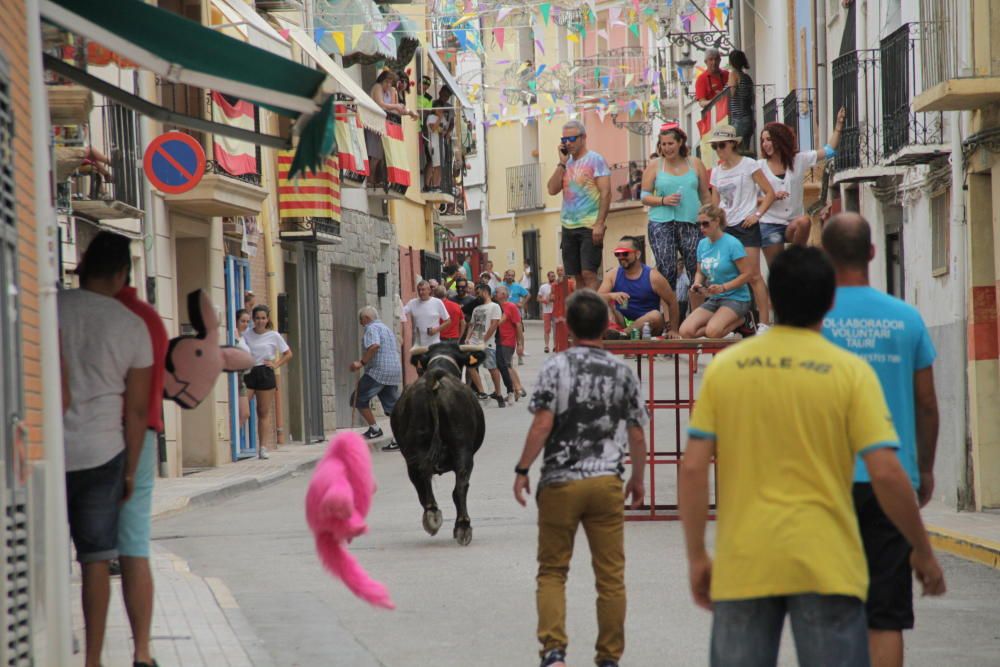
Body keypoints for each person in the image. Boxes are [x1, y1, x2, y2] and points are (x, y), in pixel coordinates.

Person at [679, 246, 946, 667]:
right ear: (828, 302)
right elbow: (887, 473)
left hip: (744, 563)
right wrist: (922, 549)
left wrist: (696, 556)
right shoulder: (849, 373)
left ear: (776, 299)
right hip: (828, 565)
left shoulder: (725, 370)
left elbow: (693, 467)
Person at [821, 213, 940, 667]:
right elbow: (927, 403)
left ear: (826, 258)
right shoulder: (906, 319)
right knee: (886, 614)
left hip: (827, 481)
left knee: (832, 607)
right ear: (872, 253)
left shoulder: (814, 321)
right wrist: (924, 468)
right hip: (893, 479)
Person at [513, 288, 647, 667]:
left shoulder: (555, 367)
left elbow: (542, 424)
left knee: (553, 570)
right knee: (610, 576)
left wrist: (523, 469)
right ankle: (608, 658)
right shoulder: (623, 371)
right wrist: (637, 478)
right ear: (607, 325)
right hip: (606, 482)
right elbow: (637, 433)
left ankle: (554, 654)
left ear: (568, 327)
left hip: (559, 480)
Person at [59, 231, 153, 667]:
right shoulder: (131, 325)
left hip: (45, 454)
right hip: (103, 452)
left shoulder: (50, 309)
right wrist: (130, 470)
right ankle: (93, 659)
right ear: (121, 274)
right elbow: (135, 411)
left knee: (44, 552)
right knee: (96, 560)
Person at [114, 274, 169, 667]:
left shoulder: (76, 311)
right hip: (142, 432)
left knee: (94, 552)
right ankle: (142, 652)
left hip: (93, 436)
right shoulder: (148, 318)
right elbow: (147, 392)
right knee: (134, 543)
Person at [707, 123, 777, 331]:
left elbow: (769, 193)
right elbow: (714, 205)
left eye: (721, 145)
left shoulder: (749, 165)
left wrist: (756, 215)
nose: (718, 150)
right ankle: (741, 321)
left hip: (745, 225)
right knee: (729, 276)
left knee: (753, 275)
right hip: (726, 228)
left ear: (732, 144)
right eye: (715, 146)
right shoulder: (716, 172)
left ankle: (764, 323)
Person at [758, 108, 846, 259]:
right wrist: (772, 196)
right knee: (777, 272)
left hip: (793, 222)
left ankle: (796, 259)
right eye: (763, 141)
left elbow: (829, 151)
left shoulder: (798, 160)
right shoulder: (758, 167)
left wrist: (838, 126)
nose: (765, 144)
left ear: (780, 139)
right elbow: (752, 199)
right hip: (770, 224)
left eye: (769, 139)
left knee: (805, 221)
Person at [640, 125, 710, 290]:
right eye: (663, 144)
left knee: (697, 270)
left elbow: (705, 195)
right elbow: (644, 197)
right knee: (667, 269)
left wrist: (710, 217)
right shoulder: (655, 165)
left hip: (691, 221)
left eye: (670, 143)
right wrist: (664, 200)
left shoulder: (695, 163)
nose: (667, 148)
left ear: (680, 143)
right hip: (662, 222)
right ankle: (670, 315)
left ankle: (698, 313)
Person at [548, 119, 611, 290]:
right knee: (576, 276)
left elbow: (606, 193)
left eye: (572, 139)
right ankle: (582, 313)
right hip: (568, 226)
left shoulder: (595, 160)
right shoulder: (565, 164)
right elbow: (552, 189)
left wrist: (600, 223)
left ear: (583, 137)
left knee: (589, 273)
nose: (568, 143)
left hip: (589, 225)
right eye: (564, 140)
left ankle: (594, 313)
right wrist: (561, 163)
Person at [679, 205, 753, 339]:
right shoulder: (702, 244)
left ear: (717, 221)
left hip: (737, 298)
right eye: (699, 224)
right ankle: (719, 324)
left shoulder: (732, 243)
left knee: (712, 332)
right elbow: (700, 272)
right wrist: (697, 284)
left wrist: (724, 287)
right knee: (685, 331)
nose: (701, 228)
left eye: (705, 224)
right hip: (715, 297)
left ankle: (743, 320)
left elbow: (747, 274)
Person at [598, 235, 681, 339]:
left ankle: (623, 334)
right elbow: (595, 298)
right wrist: (611, 296)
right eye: (617, 254)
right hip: (622, 321)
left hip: (647, 327)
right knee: (603, 304)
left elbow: (672, 301)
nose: (620, 257)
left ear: (637, 254)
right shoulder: (612, 274)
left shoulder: (653, 277)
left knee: (656, 315)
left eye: (625, 253)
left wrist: (674, 330)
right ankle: (618, 333)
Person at [349, 307, 402, 452]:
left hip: (378, 371)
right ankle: (399, 439)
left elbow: (374, 346)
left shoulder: (371, 328)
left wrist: (361, 362)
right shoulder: (386, 328)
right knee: (392, 407)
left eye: (361, 321)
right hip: (393, 371)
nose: (361, 324)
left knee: (358, 398)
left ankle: (374, 429)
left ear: (366, 318)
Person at [243, 304, 292, 459]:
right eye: (257, 318)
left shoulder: (274, 335)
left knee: (262, 412)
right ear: (253, 319)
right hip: (249, 372)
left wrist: (276, 364)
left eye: (263, 318)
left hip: (265, 372)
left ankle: (263, 447)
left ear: (267, 319)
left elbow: (288, 353)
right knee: (243, 409)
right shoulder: (246, 334)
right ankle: (236, 443)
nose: (260, 321)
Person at [465, 283, 506, 407]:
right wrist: (467, 338)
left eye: (478, 293)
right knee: (471, 366)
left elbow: (494, 324)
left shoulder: (494, 306)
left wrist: (485, 340)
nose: (477, 296)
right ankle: (482, 391)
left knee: (492, 368)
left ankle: (499, 394)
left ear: (485, 292)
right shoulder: (476, 309)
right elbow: (472, 325)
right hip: (473, 344)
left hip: (487, 345)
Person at [495, 284, 526, 402]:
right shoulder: (499, 306)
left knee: (505, 365)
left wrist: (520, 344)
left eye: (497, 292)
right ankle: (517, 388)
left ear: (503, 295)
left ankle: (516, 388)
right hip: (500, 340)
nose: (494, 294)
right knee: (507, 365)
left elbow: (518, 325)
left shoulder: (510, 306)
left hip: (507, 341)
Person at [404, 280, 451, 347]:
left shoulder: (437, 302)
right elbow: (401, 313)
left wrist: (436, 330)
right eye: (419, 290)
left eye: (423, 290)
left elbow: (448, 321)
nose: (421, 292)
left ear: (429, 290)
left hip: (434, 343)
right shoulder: (412, 303)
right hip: (418, 344)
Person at [726, 50, 755, 152]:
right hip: (748, 118)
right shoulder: (747, 78)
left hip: (738, 118)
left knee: (736, 152)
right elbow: (752, 99)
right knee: (745, 149)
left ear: (731, 62)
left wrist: (723, 92)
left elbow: (731, 94)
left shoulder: (733, 74)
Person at [234, 309, 252, 429]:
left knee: (245, 413)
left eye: (247, 321)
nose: (245, 324)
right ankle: (231, 440)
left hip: (242, 377)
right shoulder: (232, 335)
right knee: (240, 413)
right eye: (242, 321)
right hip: (234, 375)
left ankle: (232, 438)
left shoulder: (243, 337)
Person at [538, 270, 557, 353]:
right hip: (547, 310)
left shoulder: (557, 285)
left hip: (556, 310)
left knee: (556, 329)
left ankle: (555, 345)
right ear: (548, 277)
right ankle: (546, 346)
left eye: (554, 276)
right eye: (551, 276)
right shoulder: (543, 287)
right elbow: (538, 298)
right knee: (547, 329)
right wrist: (544, 300)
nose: (553, 277)